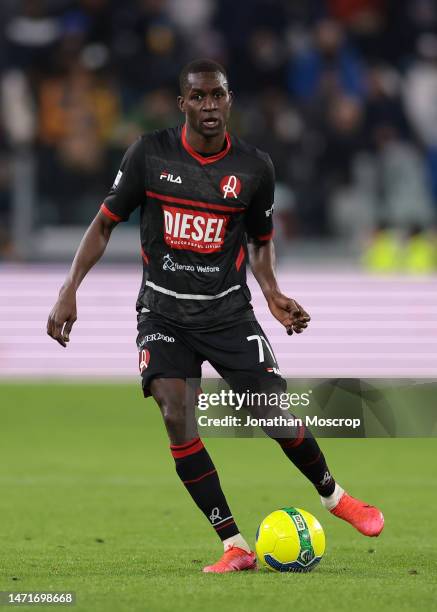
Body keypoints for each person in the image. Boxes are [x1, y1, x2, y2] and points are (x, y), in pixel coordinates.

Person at [47, 59, 384, 573]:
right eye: (199, 97)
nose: (209, 106)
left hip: (229, 314)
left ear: (230, 100)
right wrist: (69, 289)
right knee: (176, 415)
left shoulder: (254, 168)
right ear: (182, 103)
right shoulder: (149, 154)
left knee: (273, 416)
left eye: (218, 96)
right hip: (163, 312)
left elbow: (261, 241)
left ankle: (335, 497)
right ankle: (235, 544)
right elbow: (103, 223)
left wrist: (271, 292)